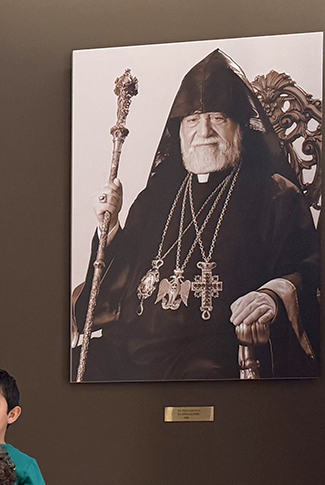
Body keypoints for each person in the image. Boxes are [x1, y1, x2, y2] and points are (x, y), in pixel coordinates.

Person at [74, 48, 320, 381]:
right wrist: (111, 224)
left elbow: (305, 268)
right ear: (178, 130)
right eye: (192, 120)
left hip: (214, 352)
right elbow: (116, 285)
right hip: (131, 349)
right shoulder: (155, 196)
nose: (203, 132)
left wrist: (271, 295)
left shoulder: (275, 194)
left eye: (217, 118)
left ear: (241, 127)